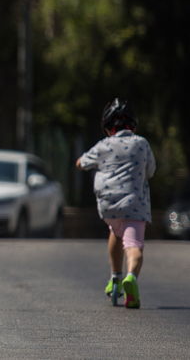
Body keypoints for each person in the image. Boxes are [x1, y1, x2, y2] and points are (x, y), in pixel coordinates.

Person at [76, 98, 156, 309]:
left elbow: (81, 163)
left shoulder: (103, 145)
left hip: (109, 207)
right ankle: (131, 278)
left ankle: (115, 277)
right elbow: (151, 171)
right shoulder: (141, 143)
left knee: (115, 231)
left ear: (107, 126)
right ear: (133, 124)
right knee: (134, 247)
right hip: (135, 206)